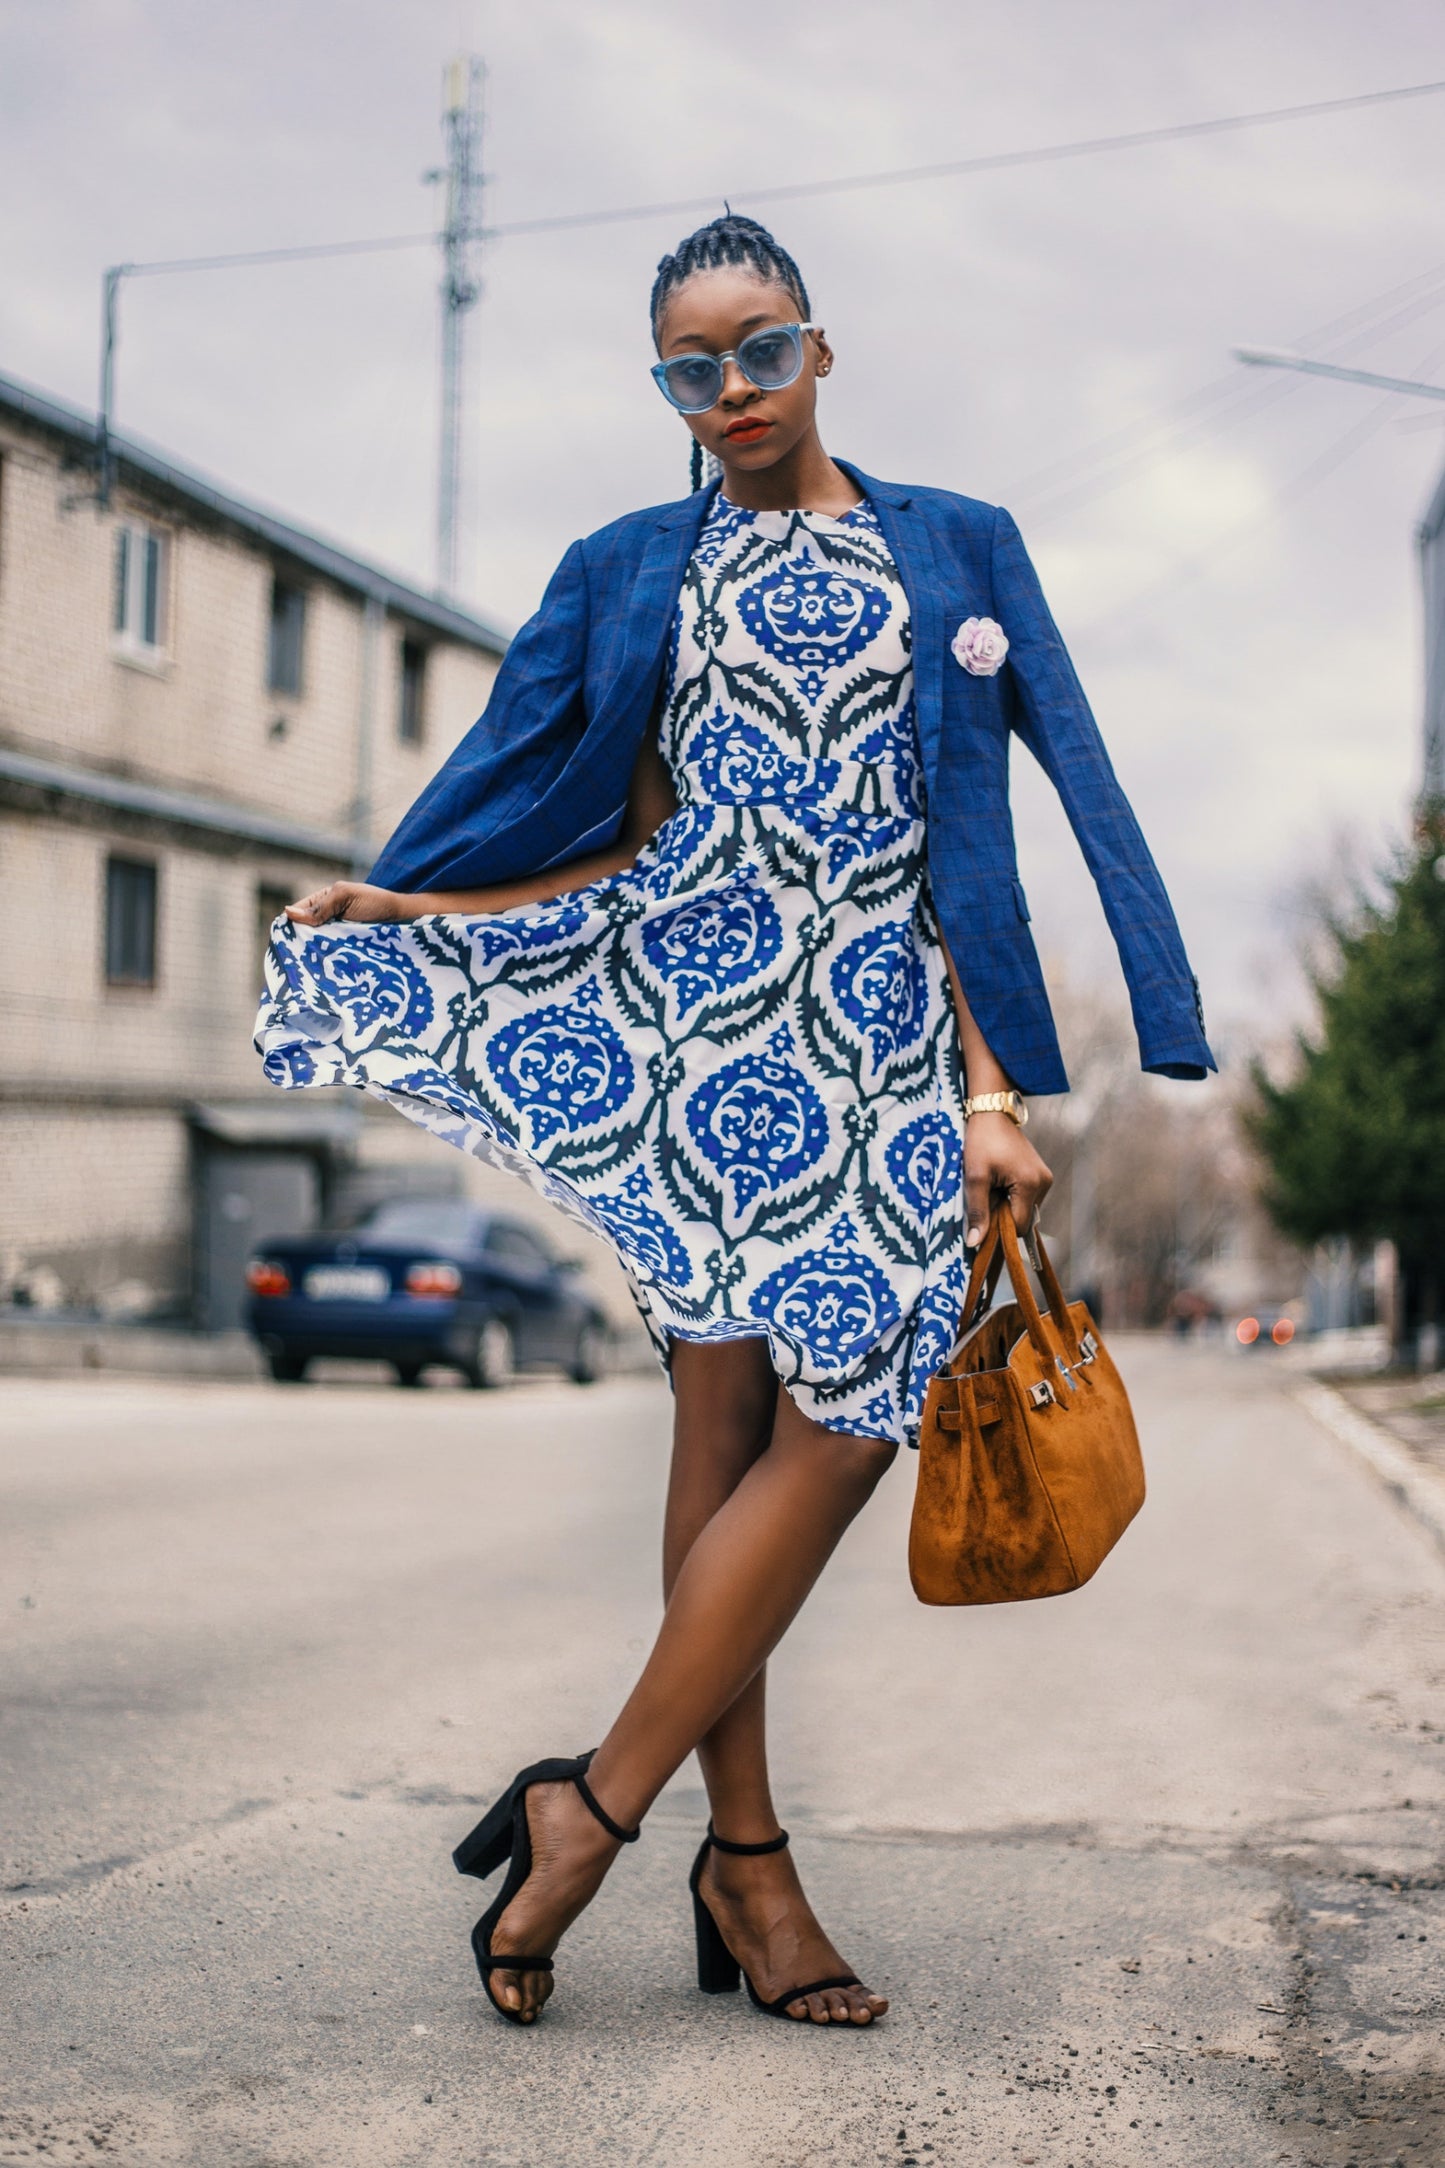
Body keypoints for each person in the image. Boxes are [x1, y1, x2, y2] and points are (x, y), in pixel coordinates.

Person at [257, 213, 1212, 2029]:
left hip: (872, 1031)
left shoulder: (953, 546)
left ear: (821, 348)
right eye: (690, 370)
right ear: (665, 389)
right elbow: (586, 819)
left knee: (848, 1421)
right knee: (720, 1411)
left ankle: (589, 1812)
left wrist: (992, 1086)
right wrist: (404, 909)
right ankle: (752, 1869)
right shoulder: (627, 568)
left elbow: (978, 835)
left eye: (759, 351)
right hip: (684, 1020)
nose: (732, 394)